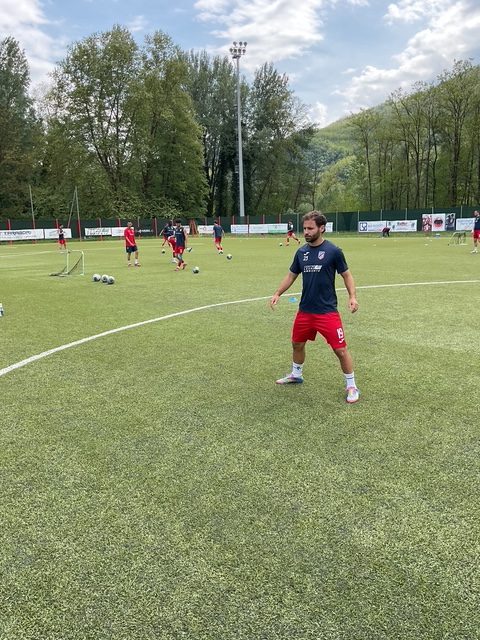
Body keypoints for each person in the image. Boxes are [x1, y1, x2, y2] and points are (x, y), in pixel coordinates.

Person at [270, 210, 360, 404]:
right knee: (297, 344)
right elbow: (291, 275)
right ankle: (296, 374)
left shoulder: (333, 251)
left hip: (327, 312)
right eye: (304, 228)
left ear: (322, 228)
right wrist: (277, 293)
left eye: (310, 228)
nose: (306, 232)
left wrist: (352, 297)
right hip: (305, 311)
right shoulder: (301, 252)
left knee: (340, 350)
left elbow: (346, 275)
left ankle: (351, 385)